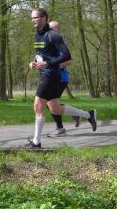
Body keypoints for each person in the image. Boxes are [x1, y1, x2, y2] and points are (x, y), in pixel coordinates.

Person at [25, 8, 96, 149]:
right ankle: (89, 115)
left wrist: (47, 63)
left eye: (35, 17)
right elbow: (42, 54)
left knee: (38, 105)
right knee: (55, 109)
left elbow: (66, 56)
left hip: (51, 75)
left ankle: (36, 142)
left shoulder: (53, 35)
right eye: (31, 18)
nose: (33, 20)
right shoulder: (37, 36)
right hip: (45, 73)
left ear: (44, 18)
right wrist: (34, 62)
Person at [47, 21, 81, 137]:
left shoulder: (59, 44)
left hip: (61, 78)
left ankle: (60, 128)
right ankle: (74, 114)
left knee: (50, 103)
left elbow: (69, 61)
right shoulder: (49, 44)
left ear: (56, 30)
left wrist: (54, 65)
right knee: (50, 103)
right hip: (53, 78)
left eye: (50, 29)